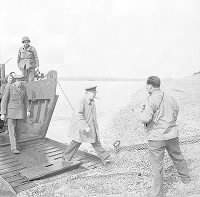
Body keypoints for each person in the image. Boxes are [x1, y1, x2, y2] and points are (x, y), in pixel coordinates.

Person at [139, 76, 191, 197]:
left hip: (156, 137)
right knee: (178, 157)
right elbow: (176, 110)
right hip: (172, 134)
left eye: (146, 85)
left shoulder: (151, 99)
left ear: (150, 86)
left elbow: (145, 118)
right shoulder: (170, 97)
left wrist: (140, 112)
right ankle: (186, 180)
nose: (146, 87)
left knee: (157, 165)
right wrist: (170, 123)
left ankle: (157, 193)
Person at [62, 86, 113, 165]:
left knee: (95, 141)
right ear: (87, 93)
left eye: (95, 93)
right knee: (76, 141)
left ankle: (106, 158)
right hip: (82, 127)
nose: (95, 94)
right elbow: (79, 114)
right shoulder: (81, 101)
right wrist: (85, 126)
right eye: (93, 93)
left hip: (91, 127)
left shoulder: (92, 101)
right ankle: (66, 157)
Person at [0, 76, 30, 154]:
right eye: (19, 81)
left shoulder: (24, 88)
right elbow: (4, 101)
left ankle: (16, 144)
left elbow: (26, 100)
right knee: (12, 131)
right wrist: (3, 113)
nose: (21, 82)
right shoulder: (9, 87)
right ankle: (13, 147)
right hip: (11, 113)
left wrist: (28, 110)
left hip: (20, 113)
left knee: (19, 130)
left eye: (22, 81)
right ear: (16, 81)